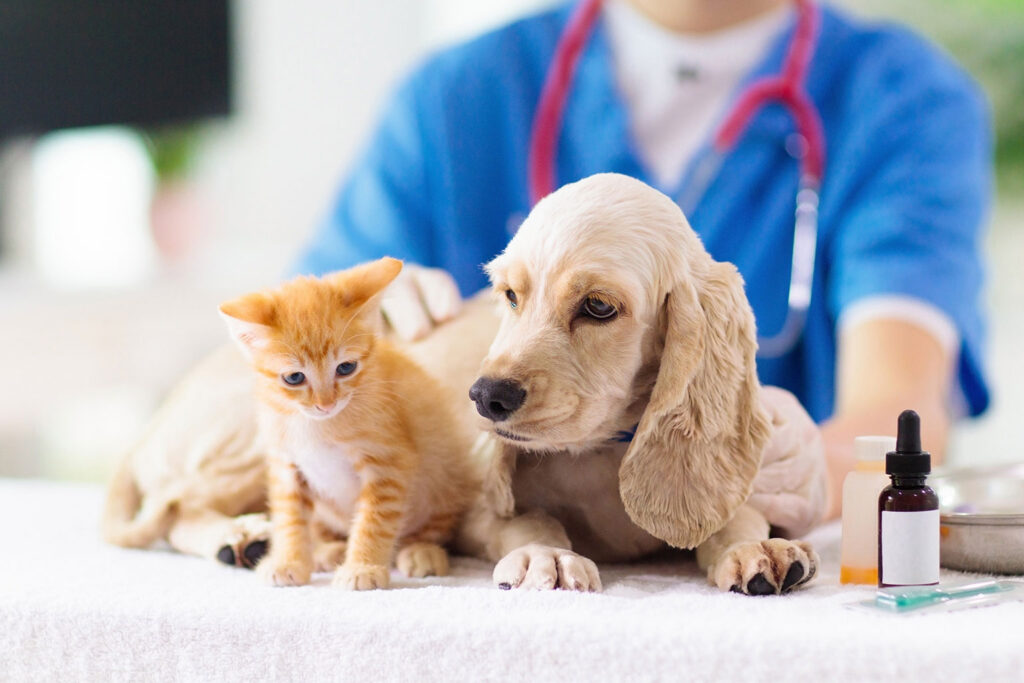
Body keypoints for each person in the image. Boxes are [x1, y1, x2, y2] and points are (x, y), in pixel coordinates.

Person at [293, 0, 991, 519]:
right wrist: (351, 329)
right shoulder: (455, 99)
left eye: (594, 305)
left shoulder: (905, 100)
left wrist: (811, 469)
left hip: (743, 557)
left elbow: (900, 405)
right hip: (507, 541)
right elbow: (283, 350)